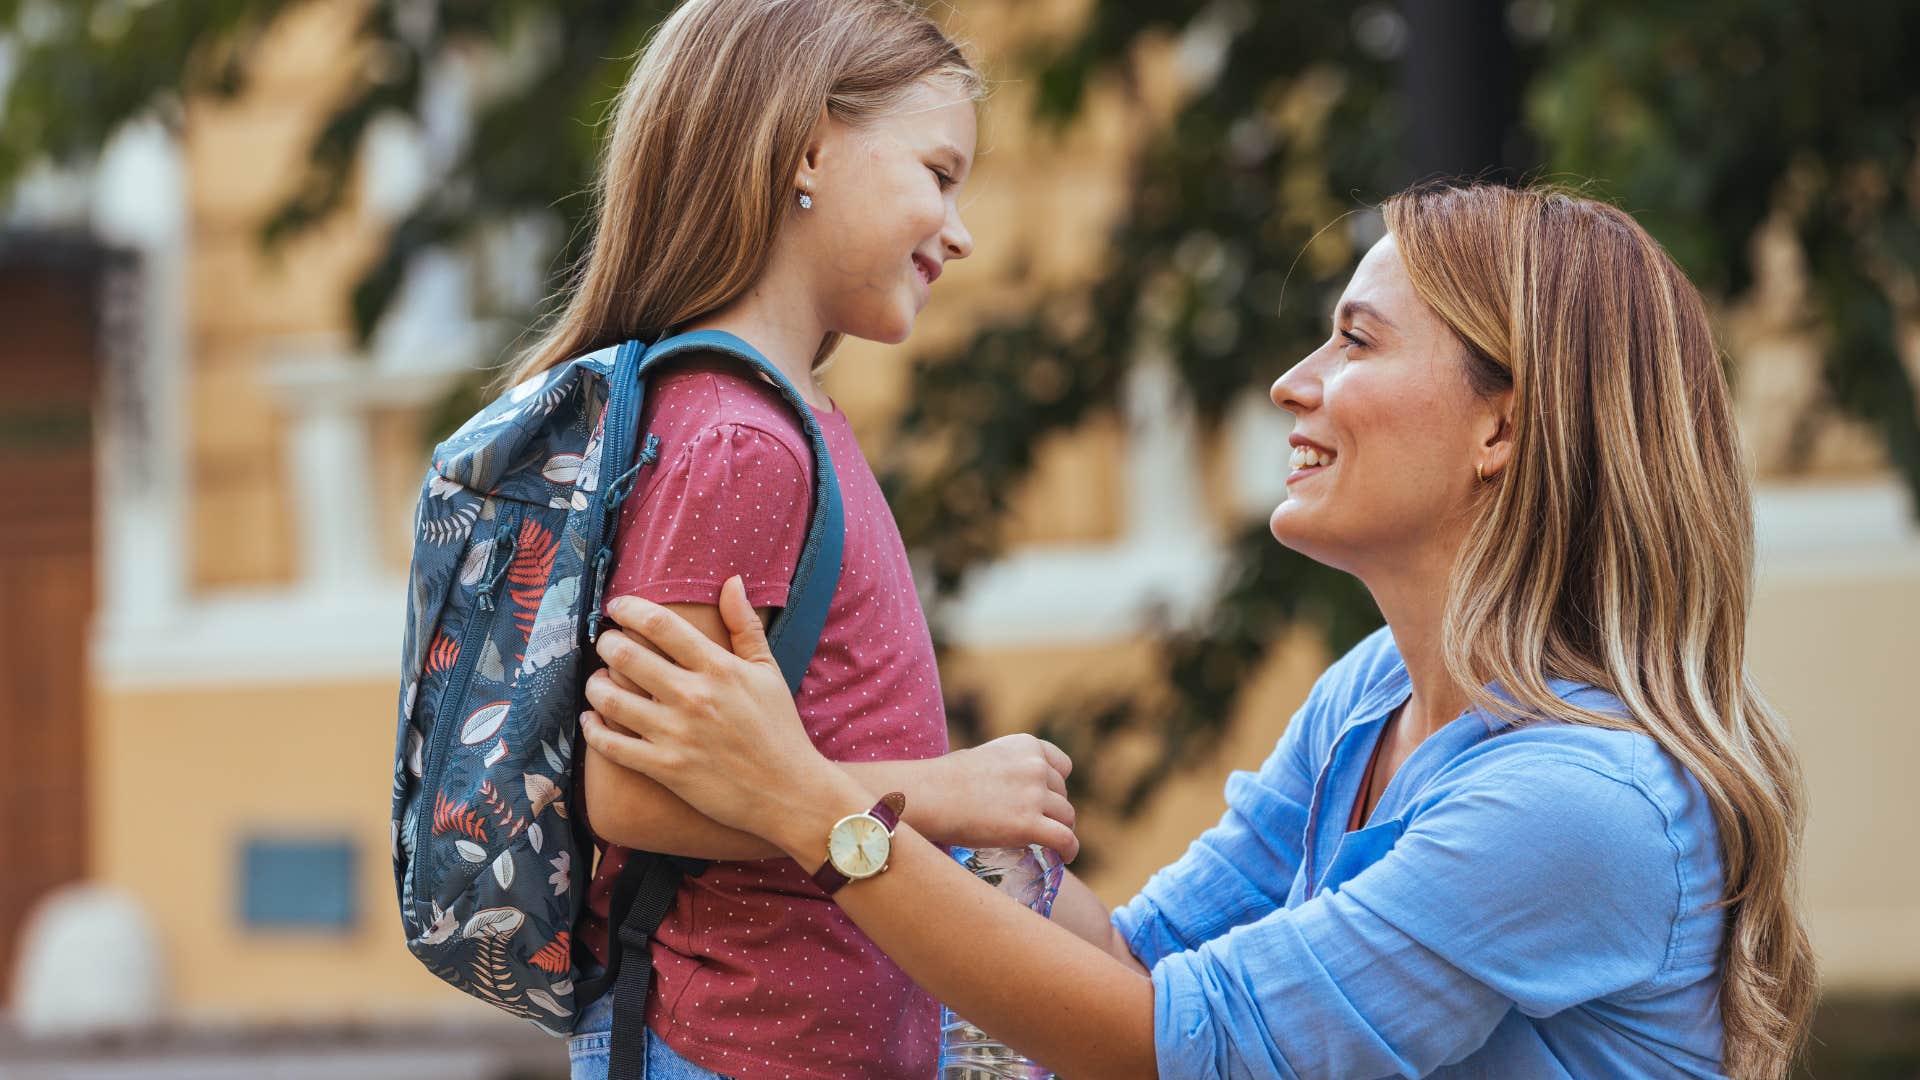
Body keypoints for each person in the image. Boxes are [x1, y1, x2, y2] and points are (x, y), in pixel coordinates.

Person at [578, 183, 1821, 1078]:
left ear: (1504, 427)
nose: (1294, 380)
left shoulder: (1581, 801)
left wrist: (813, 809)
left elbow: (1175, 1048)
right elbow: (1139, 958)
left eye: (1357, 338)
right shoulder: (1373, 695)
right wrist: (917, 799)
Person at [501, 1, 1081, 1077]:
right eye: (939, 174)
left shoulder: (786, 419)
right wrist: (942, 792)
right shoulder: (738, 440)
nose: (961, 230)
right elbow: (632, 794)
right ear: (809, 148)